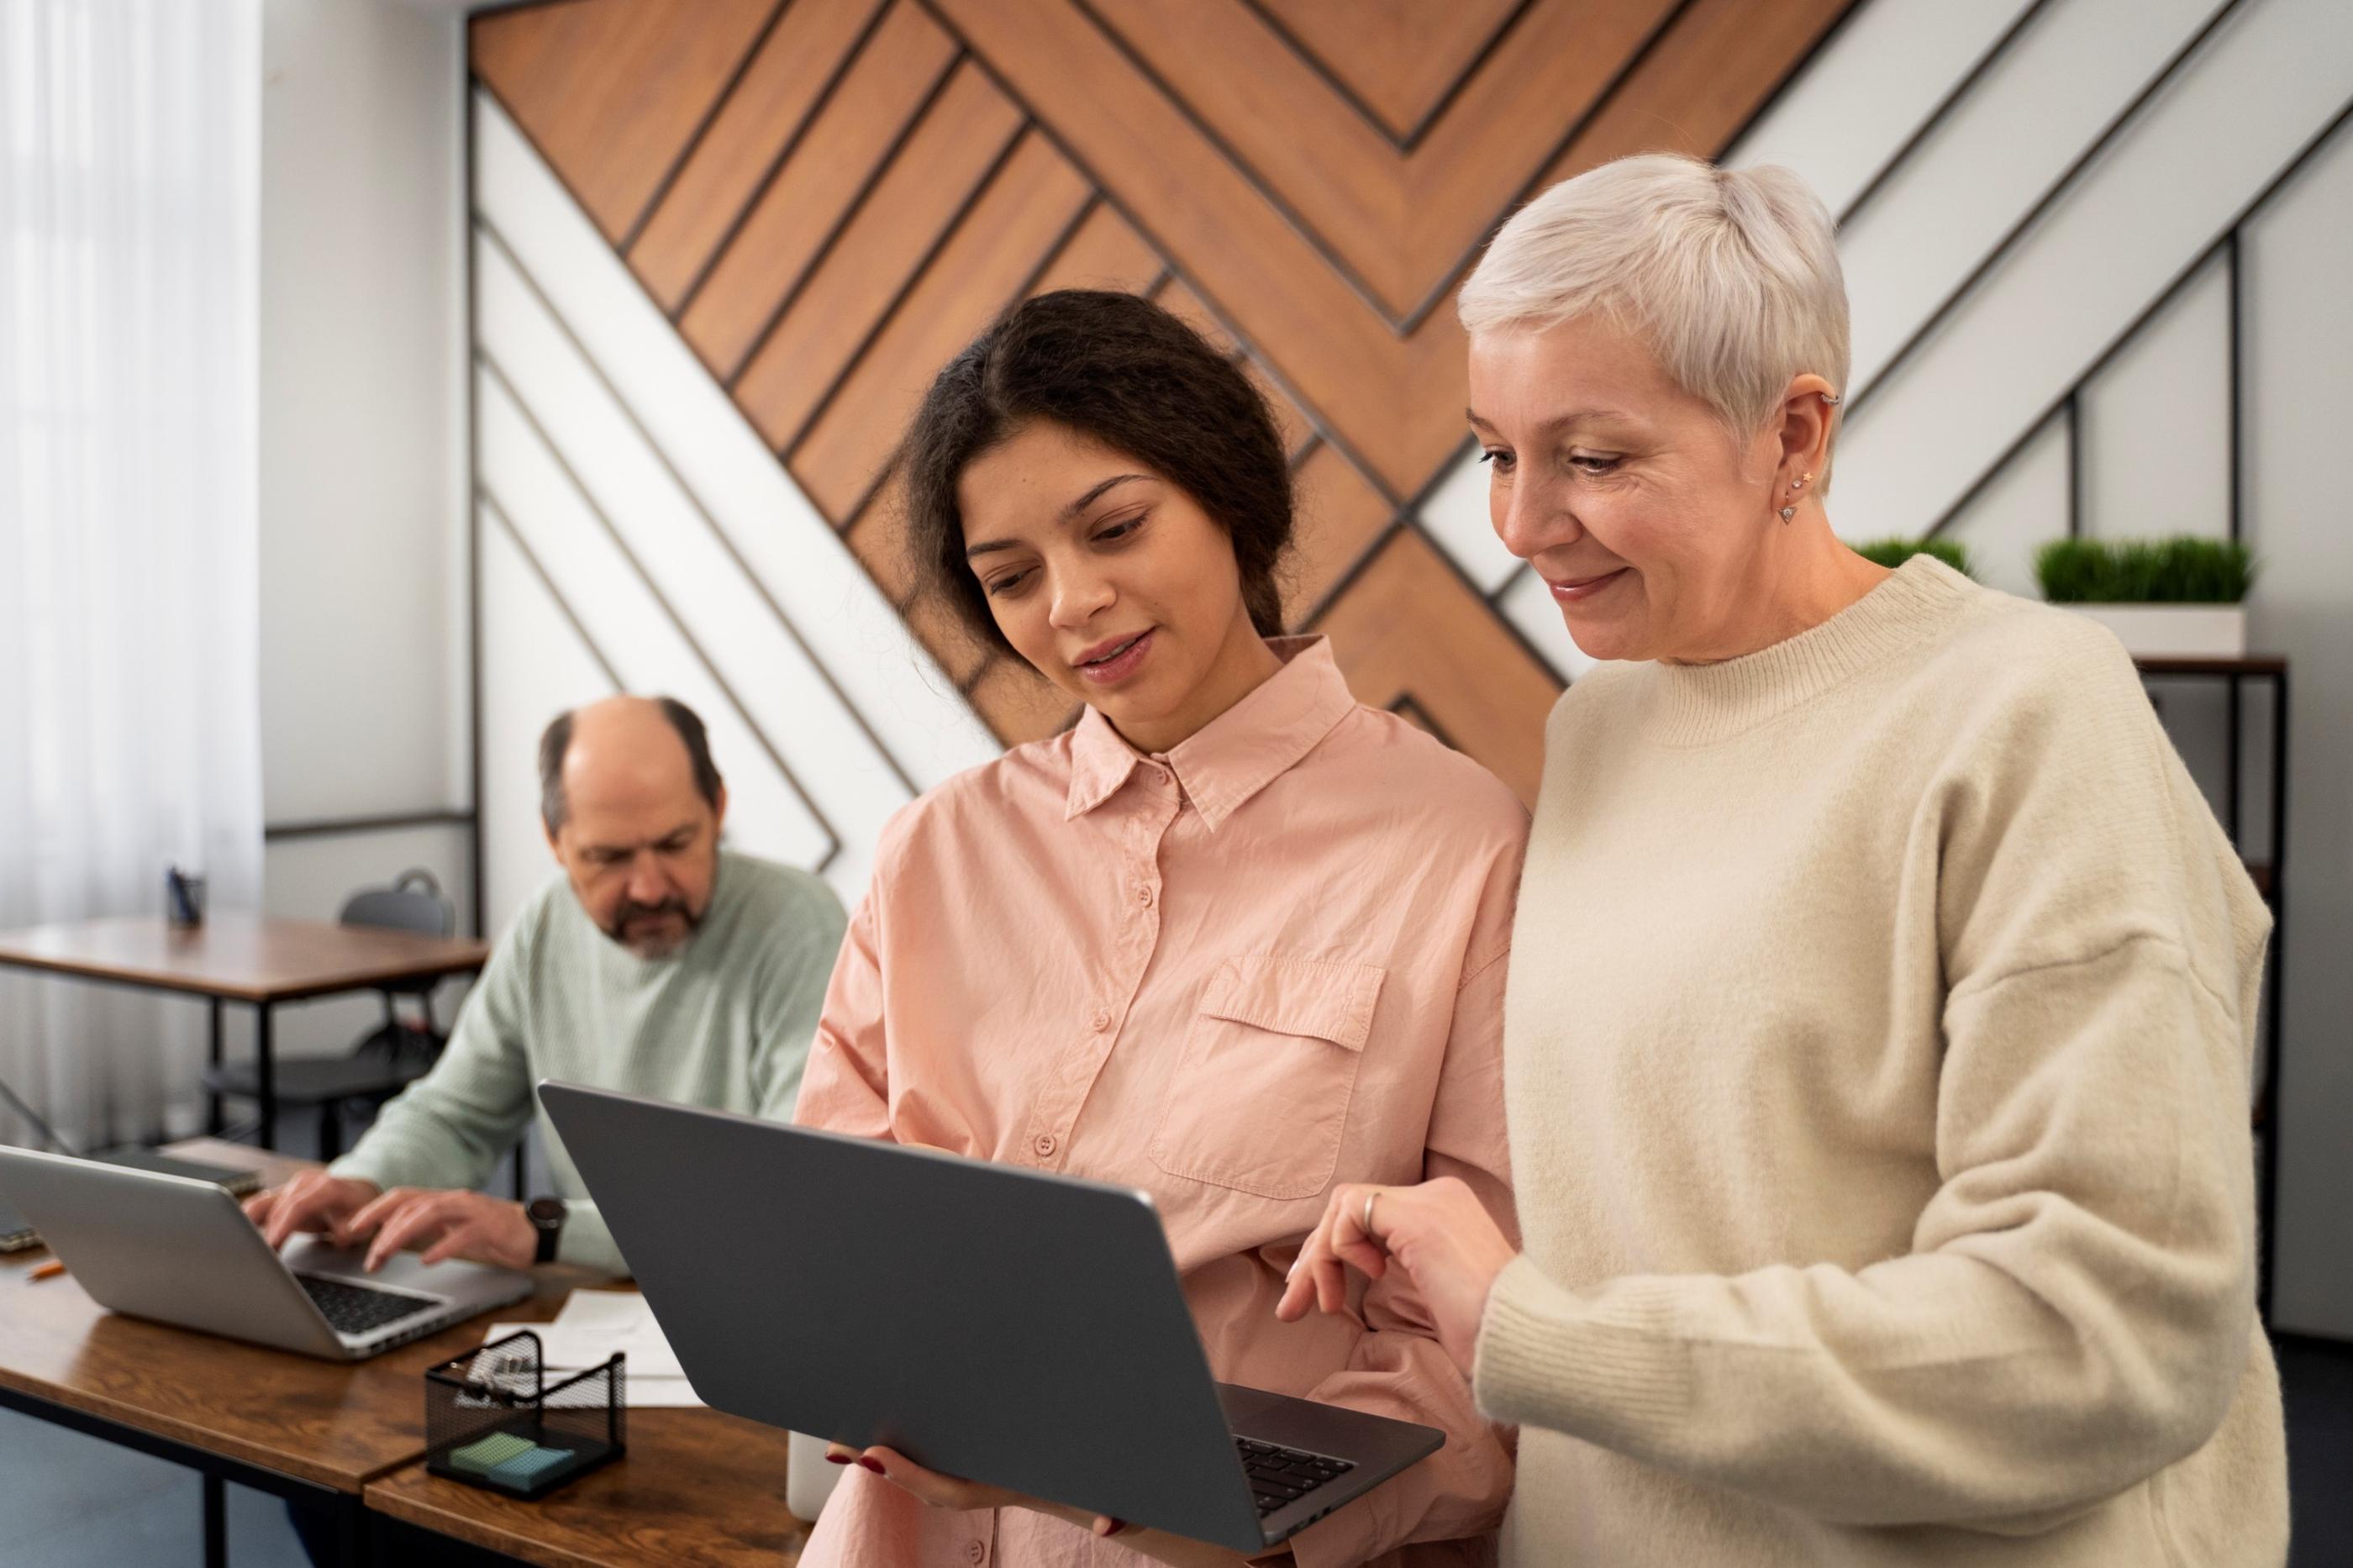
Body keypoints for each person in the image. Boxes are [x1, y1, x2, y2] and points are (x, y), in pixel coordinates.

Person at [1279, 152, 2288, 1565]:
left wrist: (1535, 1329)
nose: (1517, 526)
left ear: (1796, 437)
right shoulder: (1602, 723)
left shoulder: (2027, 717)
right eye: (1500, 450)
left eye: (1595, 456)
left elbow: (2097, 1341)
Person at [794, 289, 1525, 1567]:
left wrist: (1240, 1520)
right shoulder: (938, 849)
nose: (1073, 603)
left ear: (1228, 493)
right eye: (1010, 576)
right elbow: (832, 1222)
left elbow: (1480, 1345)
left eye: (1117, 527)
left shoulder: (1456, 841)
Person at [246, 694, 846, 1276]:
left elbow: (783, 1197)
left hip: (746, 1289)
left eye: (675, 844)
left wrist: (546, 1230)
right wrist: (363, 1181)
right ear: (554, 841)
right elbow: (456, 1114)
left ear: (717, 810)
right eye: (608, 857)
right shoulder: (546, 923)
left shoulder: (797, 924)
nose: (648, 887)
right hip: (596, 1295)